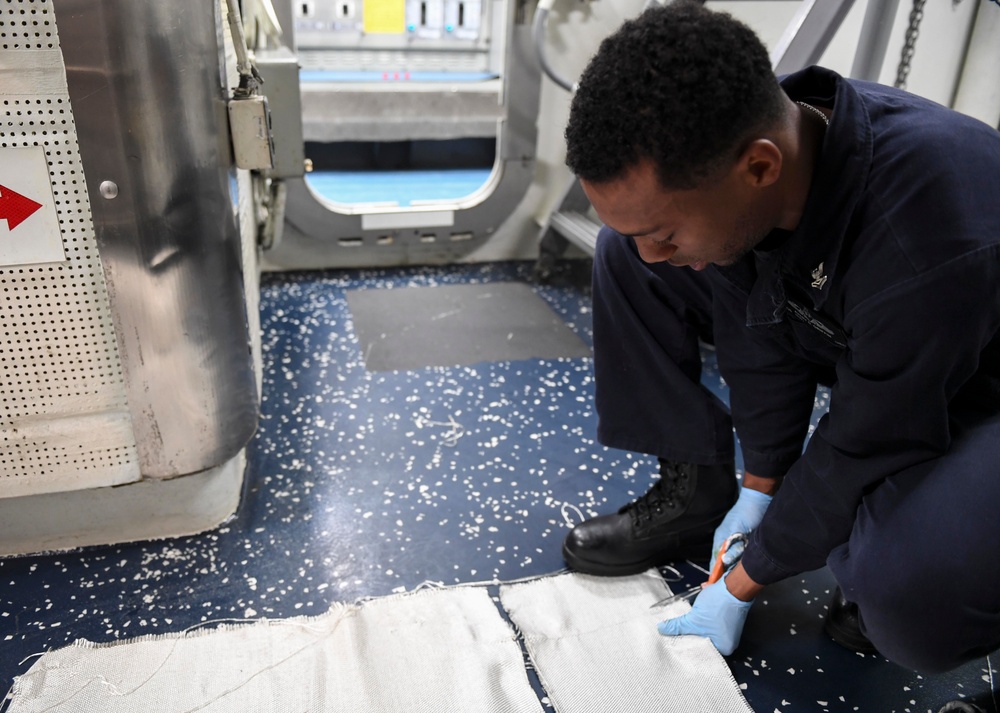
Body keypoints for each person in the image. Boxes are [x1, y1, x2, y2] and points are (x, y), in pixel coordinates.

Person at [560, 0, 1000, 674]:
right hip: (894, 343)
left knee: (906, 597)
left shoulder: (923, 238)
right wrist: (761, 484)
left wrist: (747, 577)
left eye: (664, 230)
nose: (654, 253)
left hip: (976, 381)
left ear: (761, 167)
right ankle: (697, 496)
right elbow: (755, 318)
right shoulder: (771, 160)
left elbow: (869, 436)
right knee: (630, 259)